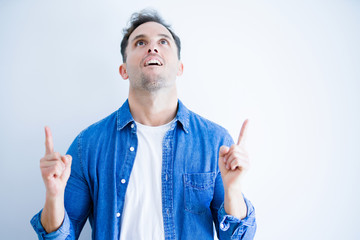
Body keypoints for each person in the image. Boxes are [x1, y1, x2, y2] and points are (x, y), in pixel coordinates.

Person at [31, 9, 256, 240]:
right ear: (124, 70)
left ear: (179, 67)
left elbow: (238, 238)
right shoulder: (87, 145)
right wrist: (53, 198)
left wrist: (233, 190)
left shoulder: (215, 142)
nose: (152, 47)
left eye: (163, 41)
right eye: (140, 42)